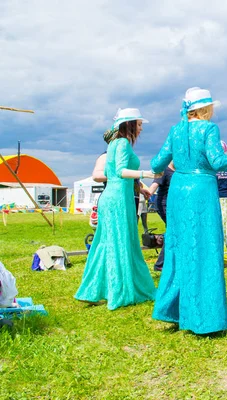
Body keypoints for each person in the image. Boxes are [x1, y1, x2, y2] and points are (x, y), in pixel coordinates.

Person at [151, 87, 227, 335]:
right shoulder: (209, 129)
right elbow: (219, 162)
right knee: (204, 248)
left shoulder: (175, 130)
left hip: (178, 192)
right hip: (201, 191)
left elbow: (156, 163)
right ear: (204, 108)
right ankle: (204, 316)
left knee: (180, 248)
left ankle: (174, 308)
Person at [75, 108, 158, 310]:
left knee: (105, 244)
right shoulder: (121, 143)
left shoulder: (115, 144)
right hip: (117, 199)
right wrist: (146, 173)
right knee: (120, 243)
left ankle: (92, 290)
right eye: (139, 124)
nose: (141, 129)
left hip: (114, 197)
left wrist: (139, 186)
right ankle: (119, 290)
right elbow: (120, 171)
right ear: (128, 124)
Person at [147, 161, 175, 272]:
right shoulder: (165, 170)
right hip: (164, 205)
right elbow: (155, 184)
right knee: (173, 231)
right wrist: (148, 192)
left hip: (174, 206)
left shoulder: (178, 171)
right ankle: (160, 264)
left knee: (174, 232)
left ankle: (165, 261)